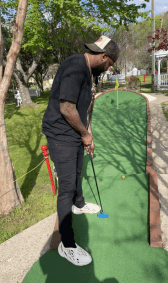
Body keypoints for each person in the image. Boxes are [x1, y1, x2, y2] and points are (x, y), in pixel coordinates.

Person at [42, 35, 119, 266]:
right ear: (104, 56)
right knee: (66, 186)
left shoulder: (88, 70)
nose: (110, 68)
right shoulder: (76, 67)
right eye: (110, 63)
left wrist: (88, 133)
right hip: (60, 134)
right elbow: (67, 108)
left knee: (77, 171)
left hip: (74, 133)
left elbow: (84, 106)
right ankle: (67, 245)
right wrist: (85, 134)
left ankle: (80, 203)